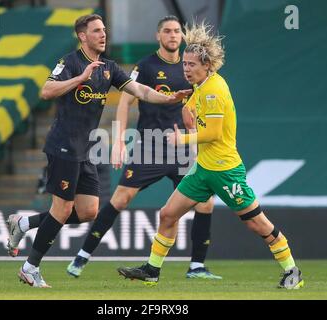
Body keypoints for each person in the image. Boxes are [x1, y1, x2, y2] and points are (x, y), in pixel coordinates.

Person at [117, 21, 304, 289]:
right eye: (184, 64)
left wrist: (183, 137)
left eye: (191, 65)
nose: (186, 69)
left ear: (207, 65)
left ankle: (292, 271)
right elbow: (194, 113)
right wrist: (186, 110)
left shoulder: (215, 89)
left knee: (257, 224)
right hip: (203, 169)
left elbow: (214, 133)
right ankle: (152, 270)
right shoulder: (200, 87)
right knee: (168, 214)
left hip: (225, 170)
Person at [9, 13, 191, 288]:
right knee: (61, 210)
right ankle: (30, 267)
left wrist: (168, 99)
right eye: (96, 31)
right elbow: (46, 91)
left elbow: (140, 90)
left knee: (88, 211)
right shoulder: (70, 62)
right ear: (82, 36)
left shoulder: (109, 66)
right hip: (64, 145)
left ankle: (24, 224)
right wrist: (79, 78)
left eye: (104, 30)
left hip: (87, 147)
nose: (103, 35)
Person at [66, 16, 220, 280]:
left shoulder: (192, 67)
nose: (173, 36)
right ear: (158, 36)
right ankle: (83, 256)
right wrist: (119, 140)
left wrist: (196, 136)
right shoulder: (147, 66)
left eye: (177, 32)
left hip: (183, 147)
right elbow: (126, 102)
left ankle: (196, 266)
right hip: (150, 145)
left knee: (205, 202)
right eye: (167, 31)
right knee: (121, 199)